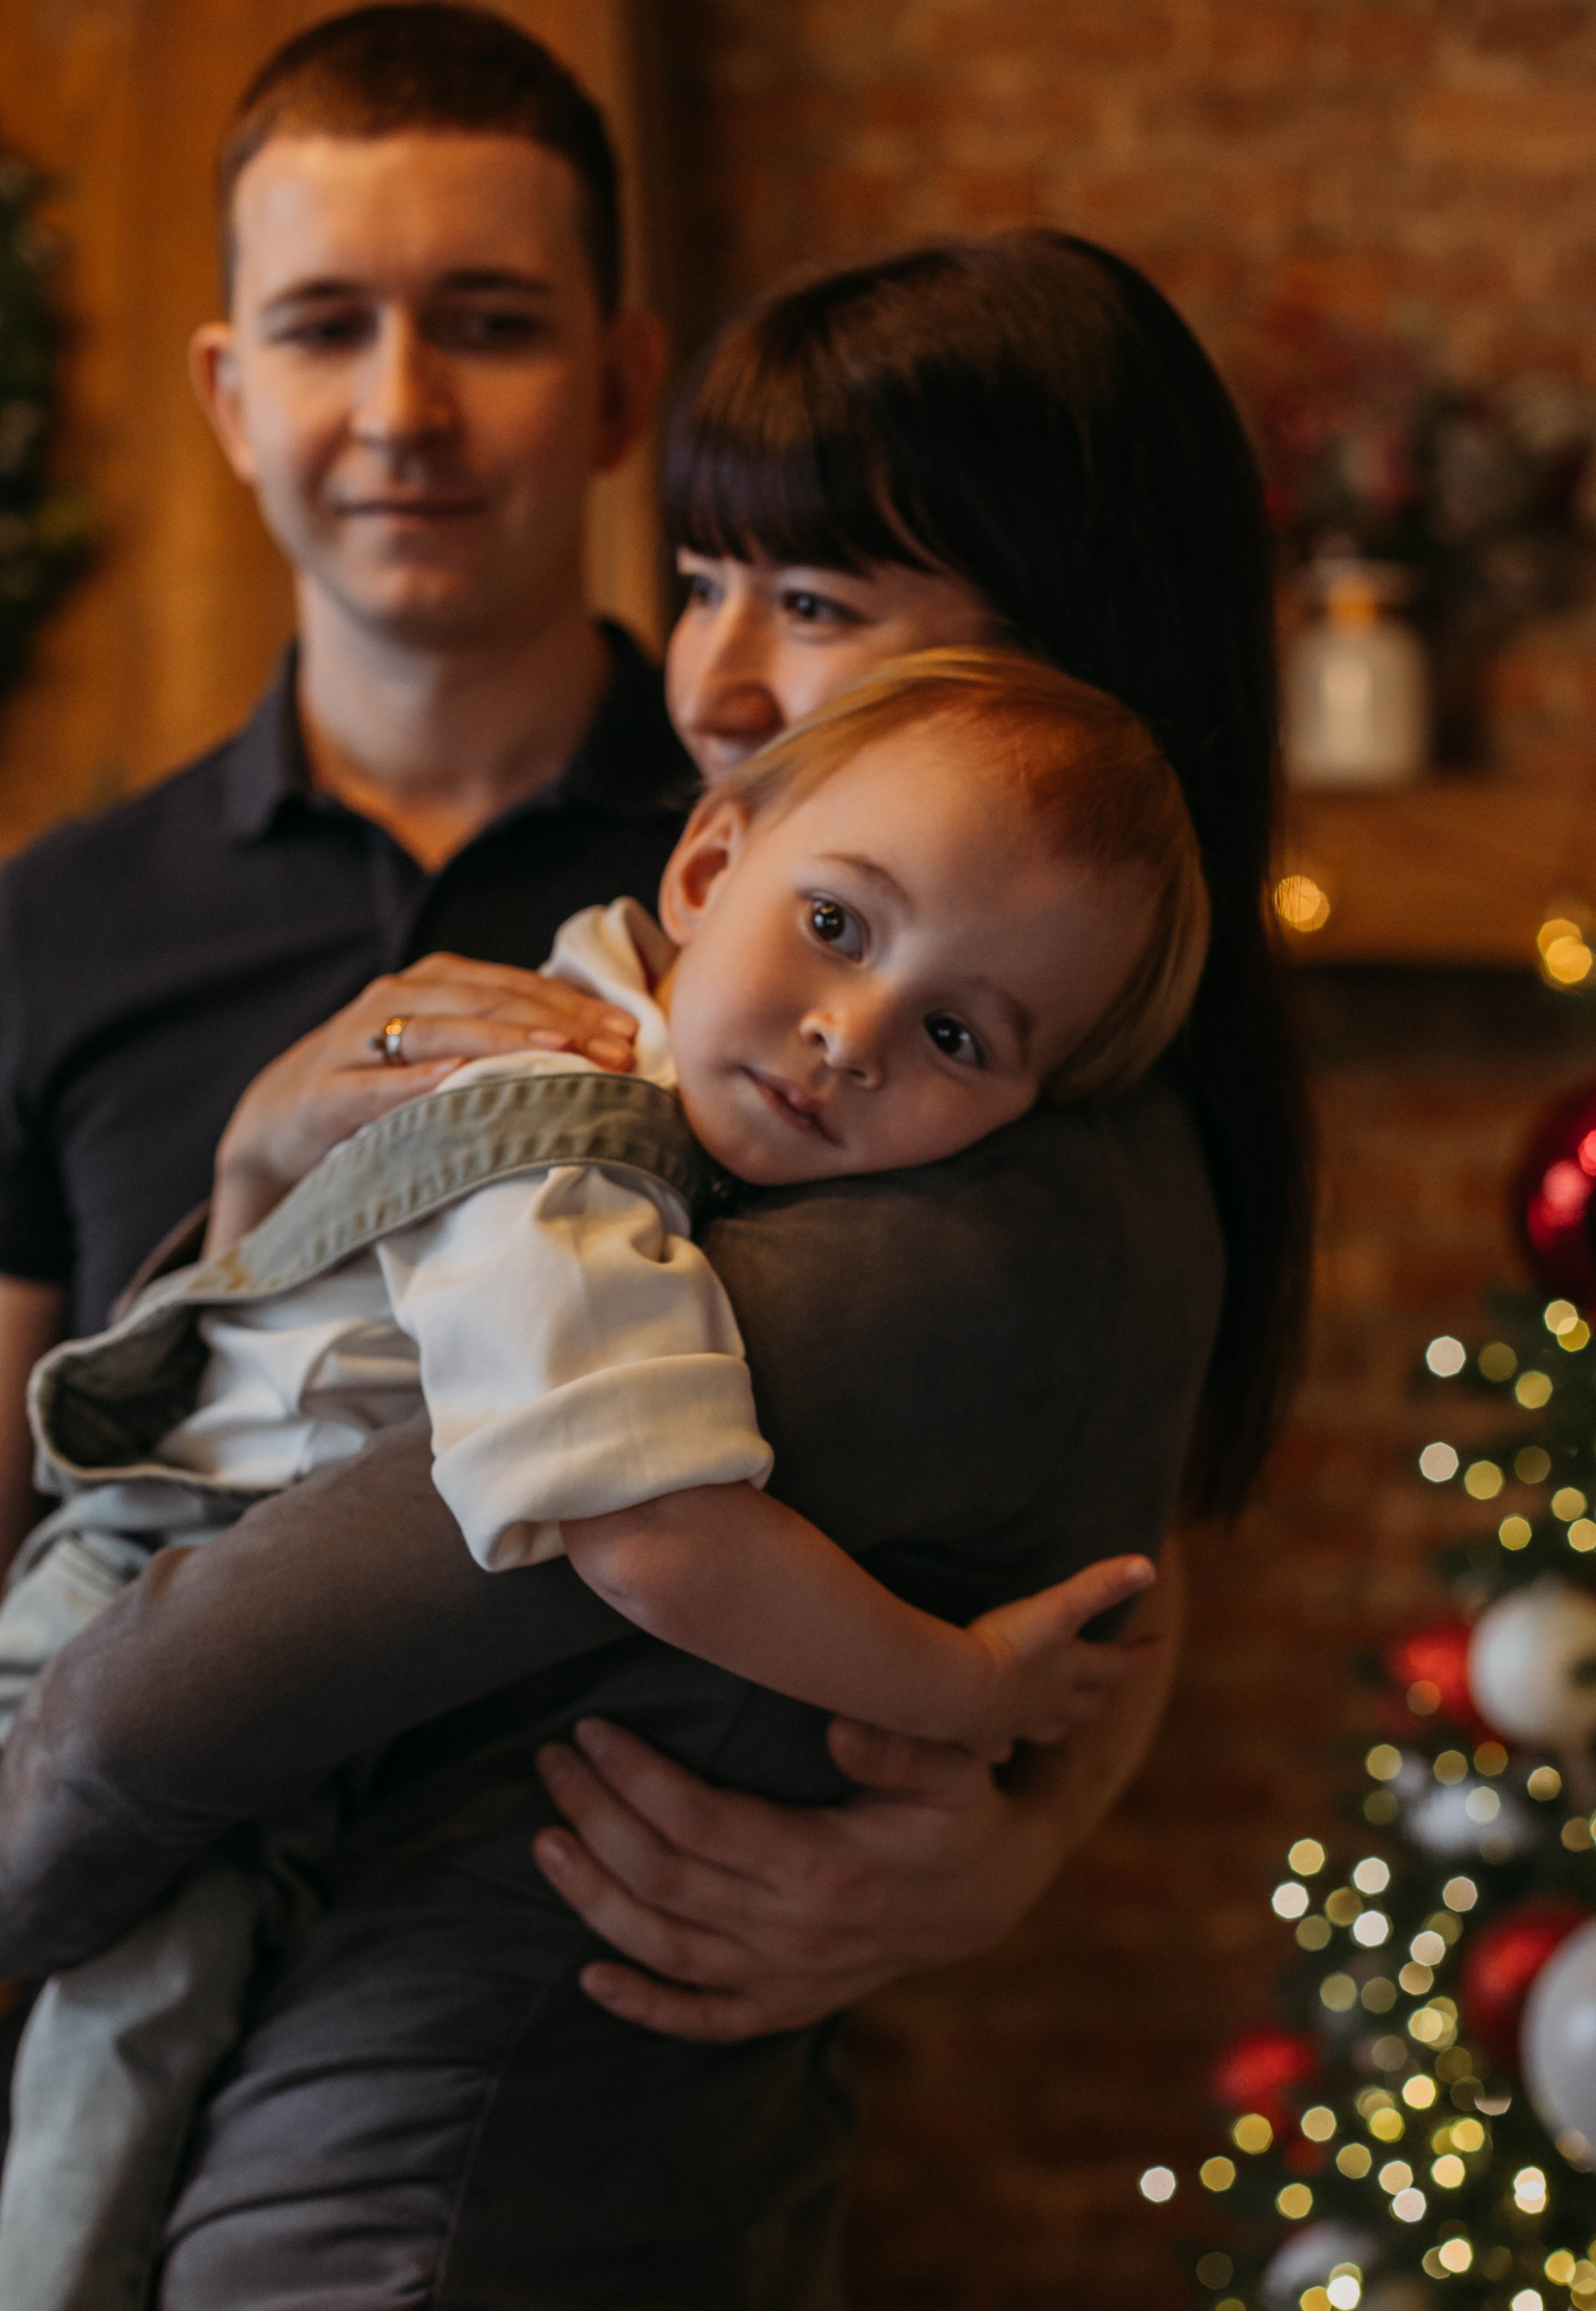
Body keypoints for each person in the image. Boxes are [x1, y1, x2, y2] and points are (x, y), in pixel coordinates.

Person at [0, 29, 1311, 2300]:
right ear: (224, 388)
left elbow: (1099, 1508)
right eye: (328, 323)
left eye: (487, 321)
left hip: (497, 2095)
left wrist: (1006, 1847)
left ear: (609, 375)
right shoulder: (65, 911)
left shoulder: (853, 928)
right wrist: (241, 1205)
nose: (405, 405)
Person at [2, 646, 1204, 2310]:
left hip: (257, 1660)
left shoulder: (700, 1077)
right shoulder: (565, 1152)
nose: (849, 1035)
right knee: (120, 2061)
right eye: (836, 925)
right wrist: (954, 1681)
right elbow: (646, 1530)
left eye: (952, 1033)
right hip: (125, 1588)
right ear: (708, 866)